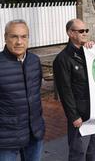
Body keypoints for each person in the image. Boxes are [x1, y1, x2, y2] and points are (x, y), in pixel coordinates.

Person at [53, 19, 95, 161]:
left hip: (94, 107)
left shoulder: (89, 52)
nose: (85, 33)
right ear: (70, 33)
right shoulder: (62, 59)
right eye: (81, 31)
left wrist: (94, 50)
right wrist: (73, 115)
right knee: (77, 149)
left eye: (86, 30)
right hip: (77, 109)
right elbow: (65, 90)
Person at [0, 19, 45, 161]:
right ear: (5, 38)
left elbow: (36, 91)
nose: (19, 42)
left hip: (34, 132)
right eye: (14, 36)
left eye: (23, 36)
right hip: (7, 138)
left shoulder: (34, 61)